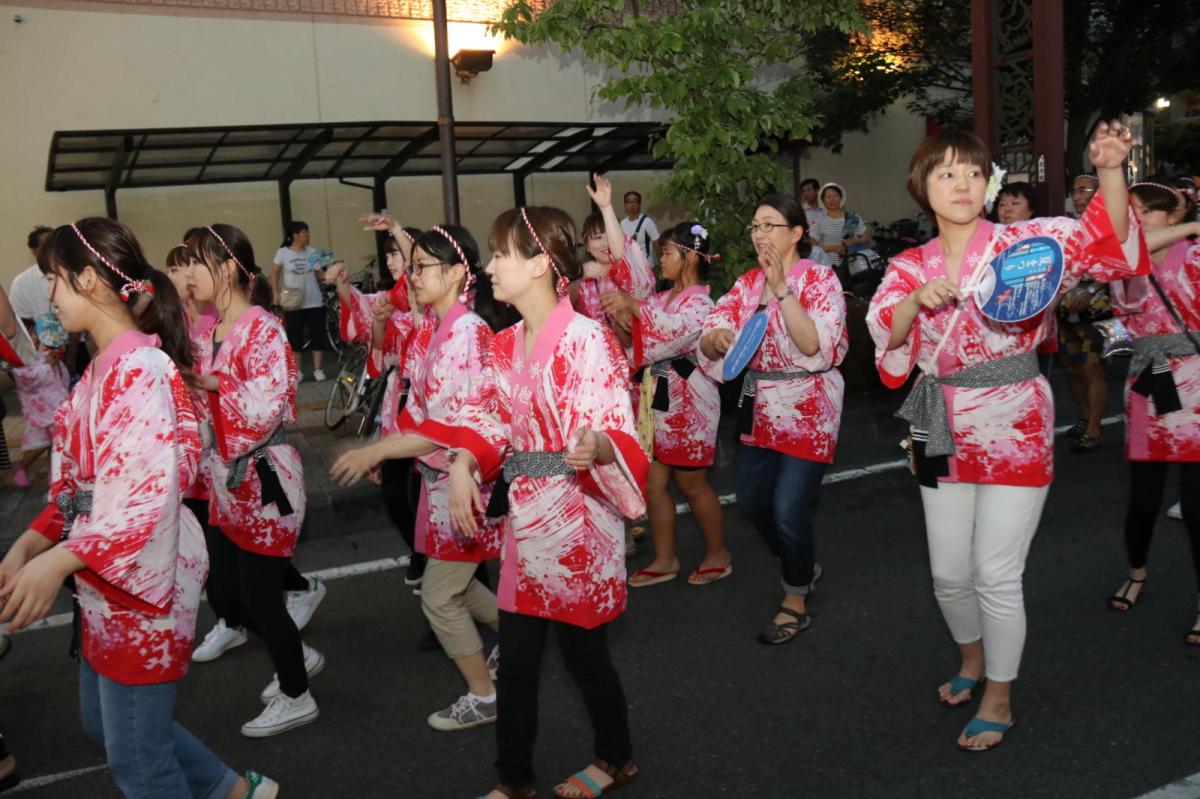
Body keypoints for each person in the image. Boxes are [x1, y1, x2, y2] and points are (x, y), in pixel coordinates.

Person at [865, 123, 1143, 751]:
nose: (961, 183)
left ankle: (999, 693)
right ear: (922, 188)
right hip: (934, 413)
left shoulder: (1029, 240)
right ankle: (970, 659)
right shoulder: (909, 264)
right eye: (945, 173)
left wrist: (1108, 172)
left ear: (988, 182)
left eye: (971, 171)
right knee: (947, 572)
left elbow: (1114, 250)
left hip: (1015, 407)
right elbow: (884, 328)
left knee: (994, 571)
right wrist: (915, 300)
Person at [0, 217, 278, 798]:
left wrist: (54, 562)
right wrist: (31, 542)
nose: (48, 293)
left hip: (141, 590)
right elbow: (77, 487)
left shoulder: (140, 371)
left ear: (90, 282)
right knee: (108, 727)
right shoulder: (101, 369)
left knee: (141, 765)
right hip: (103, 580)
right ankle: (230, 788)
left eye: (54, 279)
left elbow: (142, 505)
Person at [447, 206, 648, 799]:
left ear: (538, 264)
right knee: (520, 661)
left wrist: (598, 443)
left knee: (586, 657)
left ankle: (616, 759)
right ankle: (513, 780)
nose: (487, 267)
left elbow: (619, 432)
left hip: (579, 516)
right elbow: (484, 420)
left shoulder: (588, 341)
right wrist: (462, 462)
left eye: (499, 255)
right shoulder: (502, 343)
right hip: (526, 517)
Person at [185, 224, 320, 738]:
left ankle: (297, 694)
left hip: (264, 478)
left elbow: (264, 408)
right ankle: (297, 655)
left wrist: (212, 383)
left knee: (262, 599)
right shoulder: (209, 329)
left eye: (198, 262)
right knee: (235, 593)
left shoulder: (264, 327)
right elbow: (202, 410)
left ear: (225, 269)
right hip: (225, 479)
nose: (191, 272)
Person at [698, 195, 847, 643]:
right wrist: (717, 338)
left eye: (769, 224)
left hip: (808, 407)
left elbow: (811, 345)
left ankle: (795, 595)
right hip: (757, 403)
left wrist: (783, 290)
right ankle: (801, 561)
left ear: (797, 233)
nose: (760, 233)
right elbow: (710, 333)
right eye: (754, 226)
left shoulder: (820, 280)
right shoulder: (745, 284)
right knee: (751, 504)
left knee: (788, 509)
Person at [602, 221, 729, 588]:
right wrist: (624, 319)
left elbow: (675, 332)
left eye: (668, 254)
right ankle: (665, 557)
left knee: (692, 485)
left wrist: (635, 309)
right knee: (654, 484)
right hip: (657, 400)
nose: (661, 262)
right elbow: (641, 342)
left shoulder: (703, 302)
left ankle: (719, 553)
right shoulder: (661, 299)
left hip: (691, 404)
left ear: (690, 258)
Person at [1107, 181, 1200, 645]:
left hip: (1197, 383)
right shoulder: (1126, 265)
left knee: (1198, 504)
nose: (1137, 218)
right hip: (1147, 382)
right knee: (1142, 498)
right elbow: (1120, 312)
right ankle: (1137, 572)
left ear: (1171, 215)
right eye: (1132, 212)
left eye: (1145, 211)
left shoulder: (1198, 258)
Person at [330, 217, 430, 593]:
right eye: (388, 255)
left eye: (398, 254)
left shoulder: (433, 305)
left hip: (429, 406)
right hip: (401, 402)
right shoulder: (388, 300)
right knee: (396, 489)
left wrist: (400, 231)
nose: (392, 262)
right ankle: (423, 554)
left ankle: (435, 564)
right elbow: (373, 340)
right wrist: (342, 285)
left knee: (423, 493)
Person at [1057, 173, 1113, 452]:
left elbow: (1120, 263)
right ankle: (1085, 415)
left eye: (1083, 190)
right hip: (1068, 306)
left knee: (1095, 367)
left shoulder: (1111, 224)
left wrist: (1091, 291)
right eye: (1074, 190)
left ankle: (1095, 427)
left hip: (1102, 307)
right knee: (1072, 366)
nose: (1076, 195)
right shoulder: (1069, 226)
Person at [575, 176, 656, 341]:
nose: (605, 243)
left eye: (609, 236)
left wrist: (606, 207)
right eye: (597, 237)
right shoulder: (580, 279)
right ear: (587, 244)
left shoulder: (631, 266)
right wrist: (579, 274)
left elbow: (620, 252)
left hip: (638, 354)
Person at [995, 183, 1056, 377]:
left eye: (1015, 202)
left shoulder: (1042, 241)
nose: (1007, 209)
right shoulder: (988, 241)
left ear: (1031, 210)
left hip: (1035, 324)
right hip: (997, 331)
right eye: (1002, 204)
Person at [10, 315, 69, 488]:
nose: (34, 337)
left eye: (34, 333)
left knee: (56, 445)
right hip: (40, 410)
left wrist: (55, 363)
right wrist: (48, 366)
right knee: (38, 445)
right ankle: (21, 468)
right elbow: (26, 379)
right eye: (30, 334)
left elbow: (57, 374)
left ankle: (55, 476)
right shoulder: (22, 359)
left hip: (56, 405)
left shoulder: (44, 353)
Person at [272, 221, 329, 382]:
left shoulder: (313, 252)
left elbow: (318, 274)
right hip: (293, 302)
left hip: (314, 300)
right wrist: (275, 292)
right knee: (295, 338)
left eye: (308, 232)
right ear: (295, 235)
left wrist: (329, 274)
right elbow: (275, 273)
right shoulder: (283, 253)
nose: (307, 235)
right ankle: (298, 371)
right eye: (304, 233)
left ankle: (318, 369)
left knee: (317, 335)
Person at [809, 182, 872, 279]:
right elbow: (811, 248)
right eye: (828, 197)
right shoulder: (819, 222)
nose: (832, 199)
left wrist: (854, 240)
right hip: (829, 269)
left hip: (853, 265)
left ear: (841, 198)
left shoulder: (853, 218)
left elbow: (866, 238)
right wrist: (832, 248)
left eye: (835, 195)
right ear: (823, 201)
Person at [8, 227, 52, 331]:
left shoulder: (73, 274)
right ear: (34, 251)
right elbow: (22, 322)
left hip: (76, 343)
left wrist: (73, 347)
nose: (54, 250)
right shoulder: (21, 283)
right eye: (47, 246)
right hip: (38, 344)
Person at [618, 190, 660, 262]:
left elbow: (657, 244)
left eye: (635, 201)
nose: (632, 204)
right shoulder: (622, 224)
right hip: (630, 267)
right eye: (628, 202)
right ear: (624, 205)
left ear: (639, 204)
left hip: (646, 266)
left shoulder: (647, 222)